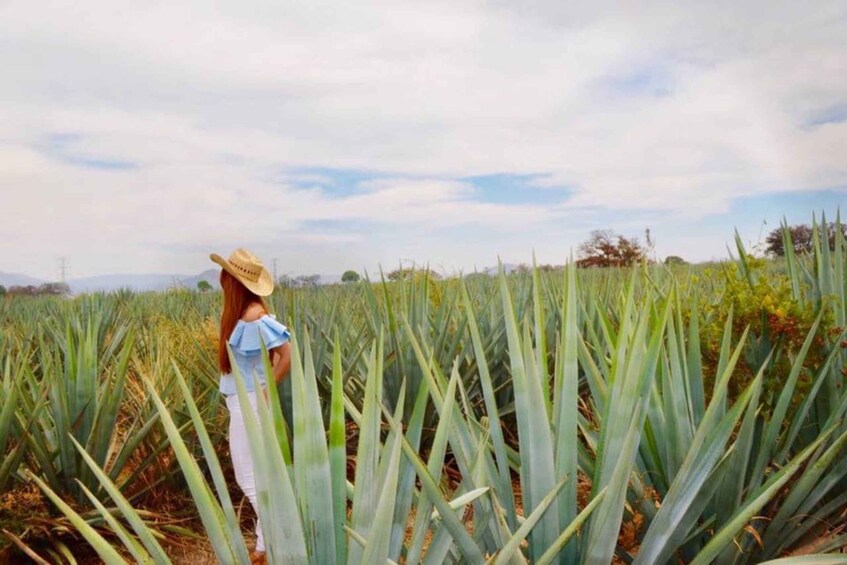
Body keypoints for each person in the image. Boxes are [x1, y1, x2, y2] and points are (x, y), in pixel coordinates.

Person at [210, 248, 292, 564]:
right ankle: (263, 548)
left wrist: (266, 390)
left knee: (249, 478)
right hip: (242, 404)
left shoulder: (255, 316)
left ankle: (272, 545)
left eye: (226, 275)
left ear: (233, 281)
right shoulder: (243, 314)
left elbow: (286, 355)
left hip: (249, 406)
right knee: (257, 476)